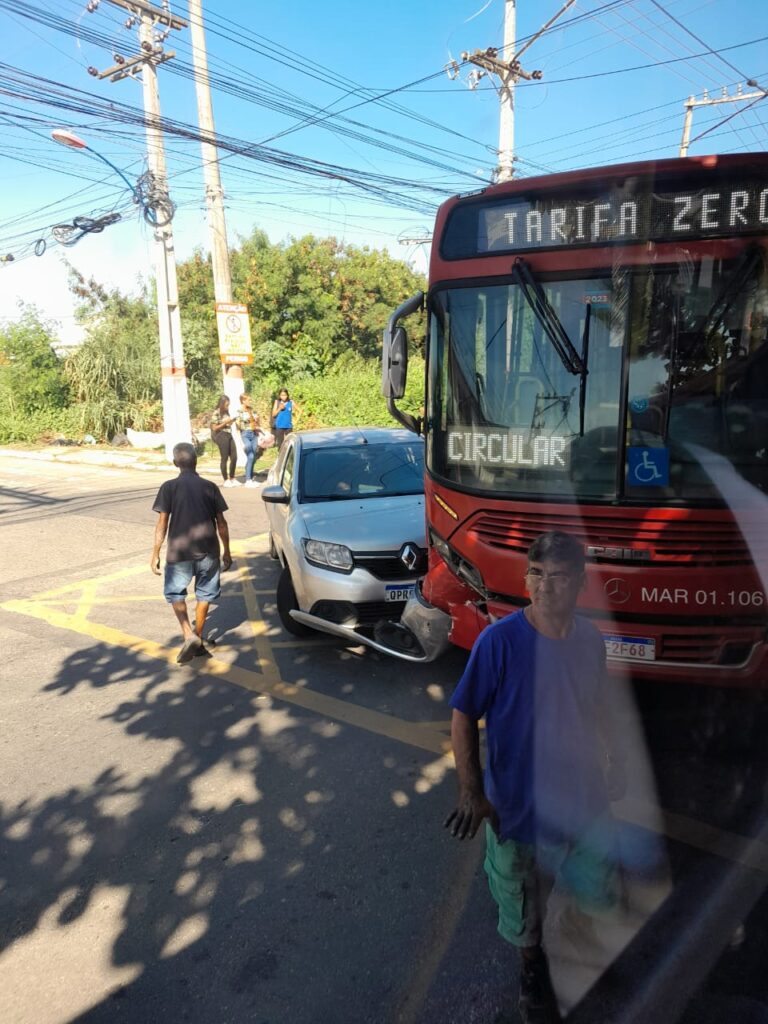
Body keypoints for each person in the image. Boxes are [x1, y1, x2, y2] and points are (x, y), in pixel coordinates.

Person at [444, 531, 626, 1024]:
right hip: (515, 805)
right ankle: (532, 971)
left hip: (583, 798)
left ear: (580, 583)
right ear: (526, 579)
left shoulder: (589, 640)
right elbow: (463, 714)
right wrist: (471, 792)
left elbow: (600, 707)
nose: (544, 586)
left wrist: (617, 761)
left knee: (594, 884)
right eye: (537, 574)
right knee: (521, 898)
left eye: (559, 576)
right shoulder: (498, 642)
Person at [150, 442, 232, 664]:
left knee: (176, 594)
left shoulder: (169, 487)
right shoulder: (210, 487)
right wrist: (227, 551)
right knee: (205, 595)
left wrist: (155, 552)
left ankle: (189, 635)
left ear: (176, 463)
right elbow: (222, 524)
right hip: (209, 551)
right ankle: (198, 637)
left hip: (180, 552)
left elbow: (162, 524)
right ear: (196, 461)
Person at [234, 393, 262, 487]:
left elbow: (257, 423)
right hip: (245, 434)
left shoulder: (251, 410)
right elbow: (237, 427)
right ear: (243, 400)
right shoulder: (239, 412)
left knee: (253, 456)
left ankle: (249, 475)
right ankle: (248, 480)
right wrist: (240, 441)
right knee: (250, 456)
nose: (250, 401)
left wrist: (257, 419)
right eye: (248, 400)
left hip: (254, 434)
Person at [211, 395, 239, 487]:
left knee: (234, 457)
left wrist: (231, 422)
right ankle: (226, 479)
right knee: (224, 458)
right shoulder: (216, 413)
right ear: (222, 404)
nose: (228, 406)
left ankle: (232, 477)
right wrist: (225, 423)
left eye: (228, 405)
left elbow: (227, 423)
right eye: (227, 405)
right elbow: (214, 428)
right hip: (221, 435)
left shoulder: (226, 411)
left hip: (228, 434)